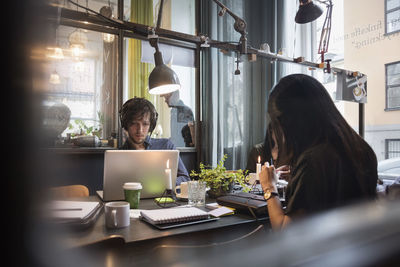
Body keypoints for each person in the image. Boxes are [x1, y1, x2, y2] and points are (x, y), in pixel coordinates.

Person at [259, 74, 378, 230]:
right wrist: (299, 180)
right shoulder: (360, 148)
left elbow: (285, 231)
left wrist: (269, 187)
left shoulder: (314, 161)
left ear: (290, 122)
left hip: (328, 251)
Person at [119, 97, 190, 185]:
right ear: (126, 125)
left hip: (163, 197)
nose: (140, 130)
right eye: (134, 124)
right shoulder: (118, 155)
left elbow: (185, 179)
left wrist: (164, 183)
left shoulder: (166, 146)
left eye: (145, 124)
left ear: (151, 126)